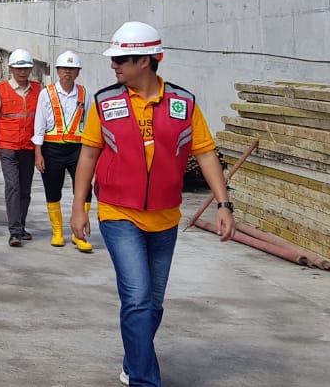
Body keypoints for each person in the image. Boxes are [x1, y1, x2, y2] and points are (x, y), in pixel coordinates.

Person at [70, 21, 234, 387]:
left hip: (165, 218)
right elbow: (88, 155)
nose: (114, 66)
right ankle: (146, 380)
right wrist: (79, 206)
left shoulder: (183, 104)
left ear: (147, 60)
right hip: (118, 214)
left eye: (122, 60)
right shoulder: (104, 102)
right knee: (138, 299)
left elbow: (206, 154)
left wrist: (224, 205)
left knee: (152, 306)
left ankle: (133, 362)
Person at [33, 50, 93, 252]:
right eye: (64, 69)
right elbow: (39, 124)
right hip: (52, 149)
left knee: (84, 191)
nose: (68, 72)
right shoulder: (46, 93)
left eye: (72, 69)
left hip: (78, 150)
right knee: (53, 189)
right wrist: (38, 153)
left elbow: (90, 123)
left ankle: (79, 235)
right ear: (57, 71)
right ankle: (57, 232)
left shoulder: (85, 93)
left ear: (78, 72)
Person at [0, 48, 39, 247]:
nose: (22, 72)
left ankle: (21, 226)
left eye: (26, 68)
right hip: (8, 146)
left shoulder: (37, 90)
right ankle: (14, 231)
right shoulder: (1, 90)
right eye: (18, 68)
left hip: (28, 146)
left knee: (25, 189)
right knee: (13, 187)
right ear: (10, 69)